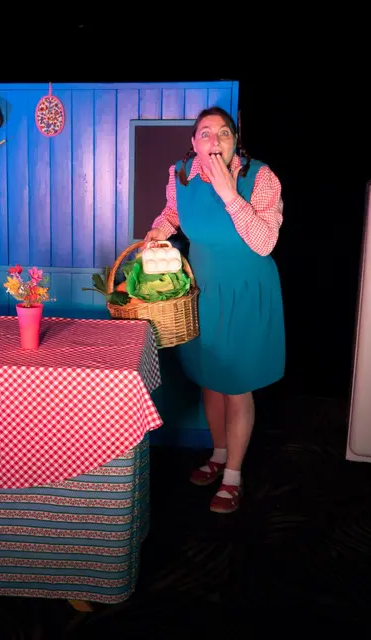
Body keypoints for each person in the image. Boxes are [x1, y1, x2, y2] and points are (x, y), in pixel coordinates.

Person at [144, 106, 285, 514]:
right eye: (205, 133)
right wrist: (159, 229)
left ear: (234, 141)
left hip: (245, 290)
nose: (214, 140)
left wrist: (229, 195)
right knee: (210, 379)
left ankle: (233, 478)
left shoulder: (260, 177)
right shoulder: (181, 174)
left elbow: (264, 243)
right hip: (202, 290)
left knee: (237, 383)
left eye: (224, 133)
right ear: (194, 142)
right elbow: (173, 211)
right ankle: (219, 455)